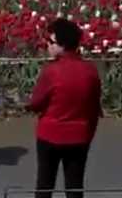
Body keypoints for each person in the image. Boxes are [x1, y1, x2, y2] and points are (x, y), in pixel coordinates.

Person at [28, 18, 102, 198]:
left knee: (45, 185)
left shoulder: (51, 71)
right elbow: (94, 106)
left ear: (63, 45)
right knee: (75, 186)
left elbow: (36, 102)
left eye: (51, 42)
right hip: (79, 136)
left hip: (49, 136)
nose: (48, 45)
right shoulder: (90, 71)